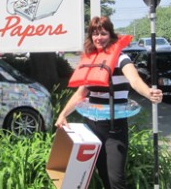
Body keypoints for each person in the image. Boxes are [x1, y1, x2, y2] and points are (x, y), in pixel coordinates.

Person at [55, 16, 163, 189]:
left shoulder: (121, 59)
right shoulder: (92, 61)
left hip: (114, 128)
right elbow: (81, 93)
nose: (98, 38)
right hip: (92, 126)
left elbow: (135, 81)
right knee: (104, 175)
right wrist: (62, 114)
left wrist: (150, 93)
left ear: (111, 35)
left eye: (103, 34)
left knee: (116, 180)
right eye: (95, 34)